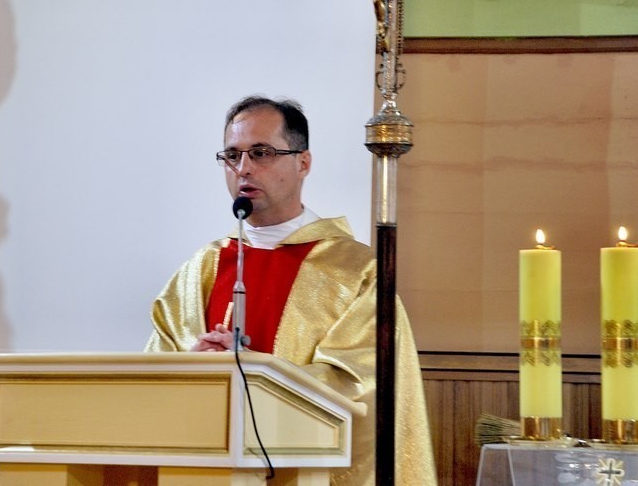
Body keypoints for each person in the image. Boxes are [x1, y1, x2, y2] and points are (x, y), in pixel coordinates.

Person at [145, 95, 437, 485]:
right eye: (232, 155)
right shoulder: (201, 269)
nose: (243, 168)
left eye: (261, 153)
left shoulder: (357, 273)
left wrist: (259, 374)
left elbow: (362, 387)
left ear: (304, 163)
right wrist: (195, 369)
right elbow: (155, 375)